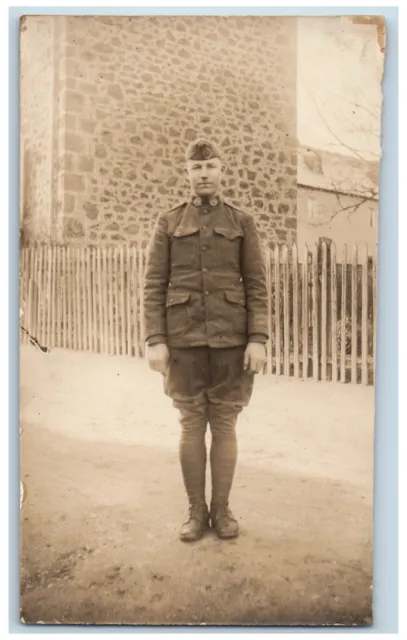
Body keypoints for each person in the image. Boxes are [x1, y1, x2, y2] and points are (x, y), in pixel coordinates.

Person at [143, 138, 268, 542]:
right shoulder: (169, 222)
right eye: (197, 168)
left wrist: (258, 338)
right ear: (187, 173)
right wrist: (155, 339)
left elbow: (257, 286)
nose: (204, 174)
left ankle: (222, 510)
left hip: (232, 341)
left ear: (222, 170)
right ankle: (196, 512)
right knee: (192, 423)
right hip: (183, 340)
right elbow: (154, 286)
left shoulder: (241, 222)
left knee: (225, 423)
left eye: (211, 166)